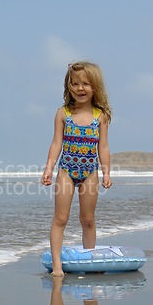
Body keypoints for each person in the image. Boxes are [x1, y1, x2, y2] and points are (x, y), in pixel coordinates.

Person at [41, 61, 112, 276]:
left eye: (86, 84)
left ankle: (90, 260)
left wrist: (106, 171)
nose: (80, 88)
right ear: (68, 86)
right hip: (66, 171)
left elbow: (104, 146)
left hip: (90, 172)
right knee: (60, 218)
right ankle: (57, 265)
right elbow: (56, 144)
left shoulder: (101, 116)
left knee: (88, 219)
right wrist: (49, 168)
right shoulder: (63, 114)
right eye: (75, 83)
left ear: (95, 87)